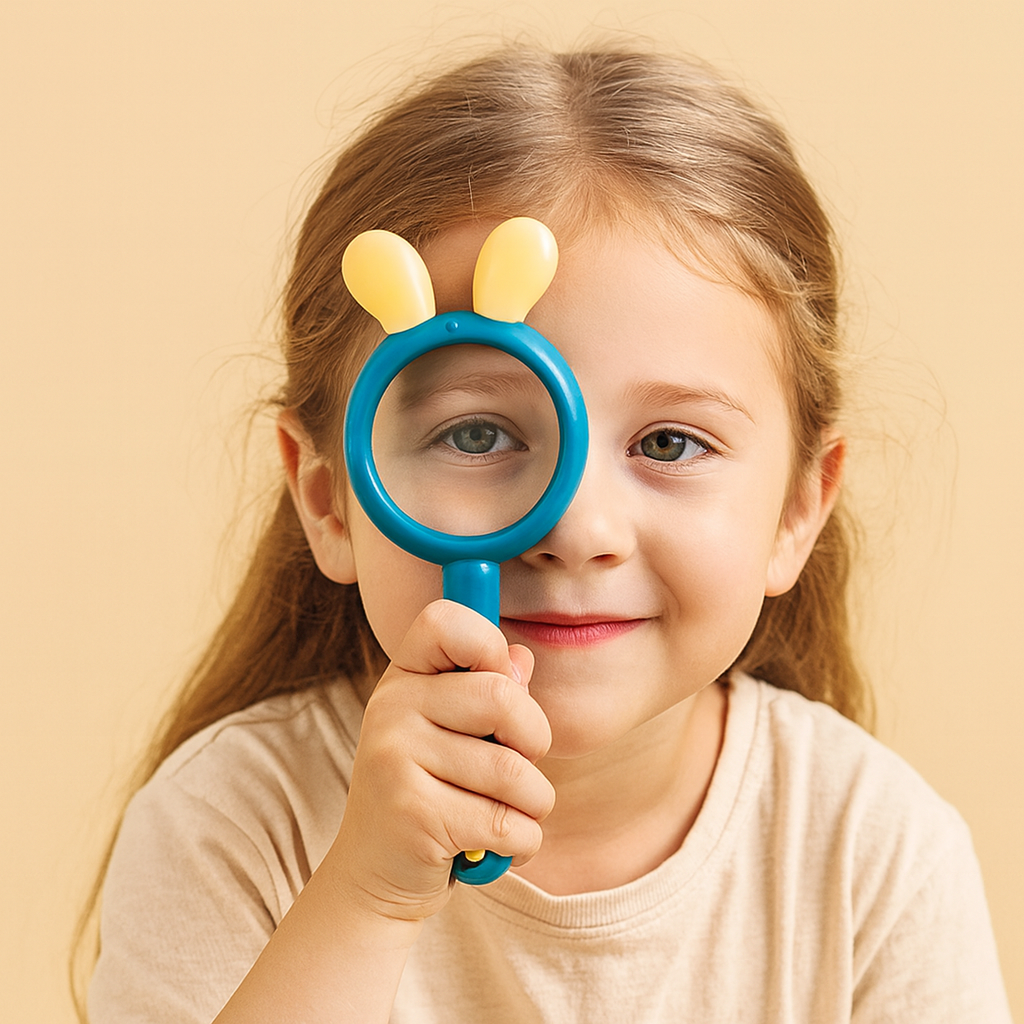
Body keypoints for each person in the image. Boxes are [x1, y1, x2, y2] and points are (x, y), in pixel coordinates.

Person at [79, 43, 1011, 1023]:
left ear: (796, 510)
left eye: (668, 440)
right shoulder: (229, 822)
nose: (575, 529)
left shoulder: (874, 853)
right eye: (475, 433)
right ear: (329, 500)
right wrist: (369, 897)